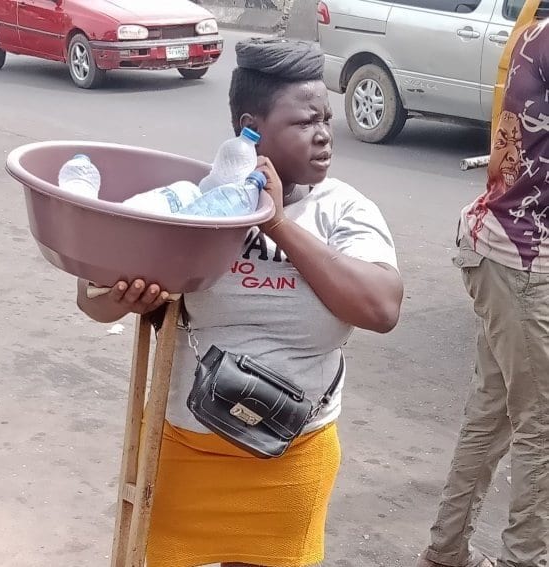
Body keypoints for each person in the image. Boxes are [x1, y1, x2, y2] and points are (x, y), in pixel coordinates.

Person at [77, 38, 403, 567]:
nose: (324, 135)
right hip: (184, 455)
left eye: (326, 118)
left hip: (291, 460)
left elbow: (381, 309)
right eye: (304, 122)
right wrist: (124, 301)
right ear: (251, 127)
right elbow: (92, 298)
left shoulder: (344, 211)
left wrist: (274, 222)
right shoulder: (200, 204)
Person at [416, 19, 549, 567]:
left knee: (493, 412)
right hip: (525, 261)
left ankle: (445, 551)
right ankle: (525, 559)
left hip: (497, 247)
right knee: (541, 425)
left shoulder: (534, 31)